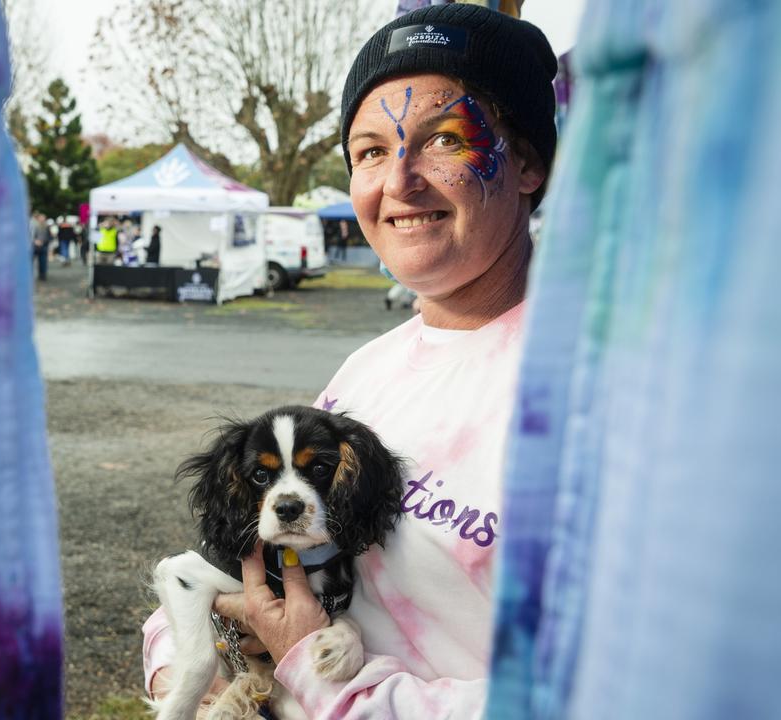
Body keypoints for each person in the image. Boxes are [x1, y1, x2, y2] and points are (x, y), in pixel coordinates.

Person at [142, 5, 556, 717]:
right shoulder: (370, 369)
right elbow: (225, 560)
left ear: (524, 163)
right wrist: (185, 672)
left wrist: (322, 679)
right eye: (369, 151)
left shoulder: (602, 394)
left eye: (443, 141)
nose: (399, 180)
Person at [31, 211, 50, 281]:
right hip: (34, 246)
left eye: (44, 218)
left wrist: (45, 242)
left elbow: (48, 236)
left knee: (43, 262)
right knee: (31, 262)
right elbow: (31, 235)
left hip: (43, 246)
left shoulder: (46, 226)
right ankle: (31, 276)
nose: (43, 219)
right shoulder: (34, 226)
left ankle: (43, 275)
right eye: (41, 218)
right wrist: (35, 241)